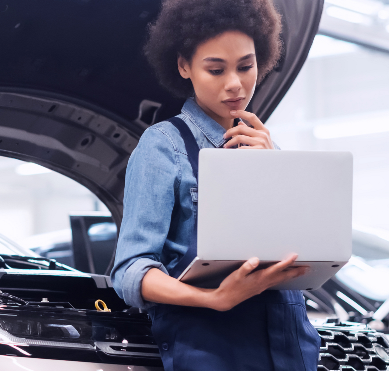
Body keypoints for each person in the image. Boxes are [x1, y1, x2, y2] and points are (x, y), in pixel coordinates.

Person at [110, 0, 322, 370]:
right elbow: (130, 271)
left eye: (246, 66)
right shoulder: (165, 146)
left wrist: (273, 170)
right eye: (215, 69)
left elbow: (308, 251)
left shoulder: (269, 148)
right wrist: (215, 298)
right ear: (183, 66)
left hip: (289, 345)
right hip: (211, 348)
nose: (235, 84)